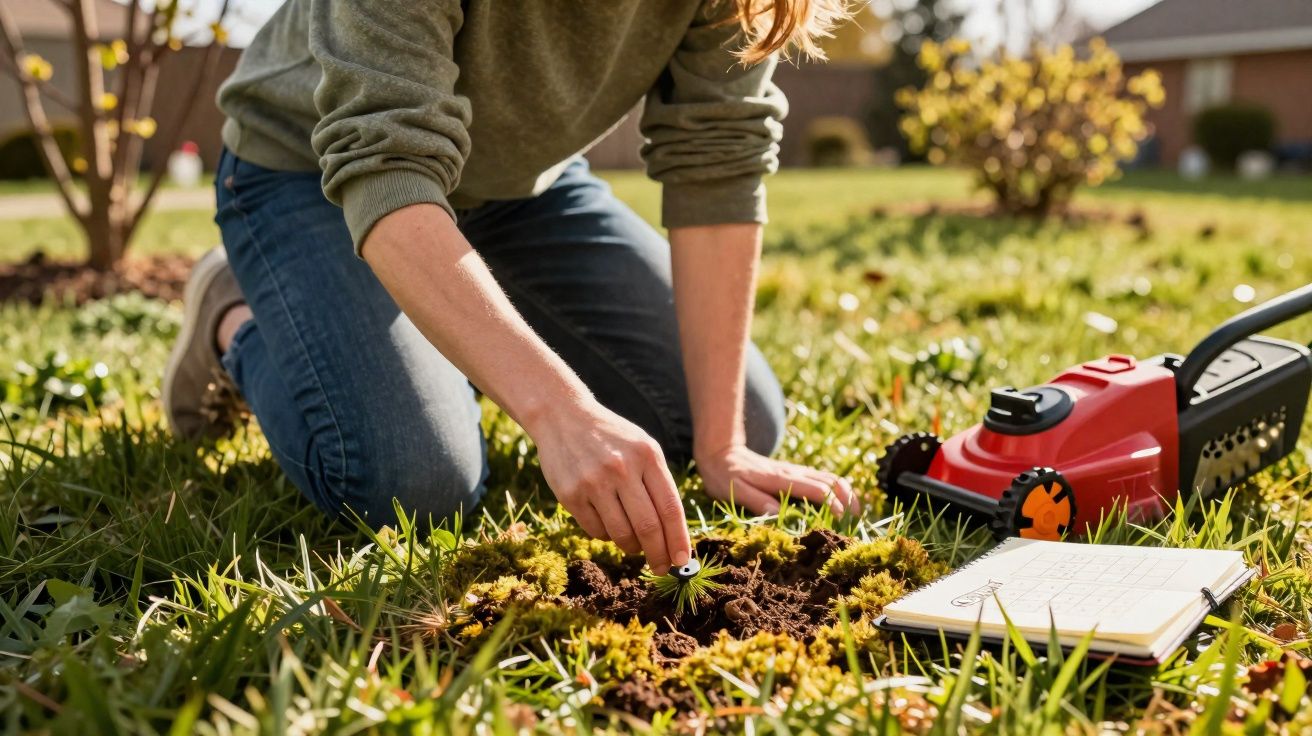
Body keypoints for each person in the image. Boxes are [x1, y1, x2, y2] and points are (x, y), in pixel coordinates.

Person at [163, 0, 858, 577]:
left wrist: (723, 447)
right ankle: (235, 311)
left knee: (733, 419)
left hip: (517, 191)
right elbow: (386, 165)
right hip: (315, 172)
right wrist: (561, 412)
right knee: (414, 483)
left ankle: (456, 291)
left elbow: (718, 158)